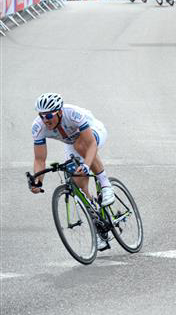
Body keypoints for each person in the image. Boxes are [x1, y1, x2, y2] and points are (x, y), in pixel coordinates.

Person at [30, 93, 115, 250]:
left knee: (81, 147)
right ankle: (99, 227)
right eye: (41, 116)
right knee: (78, 185)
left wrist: (87, 165)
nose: (45, 120)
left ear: (59, 112)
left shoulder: (73, 114)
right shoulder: (38, 127)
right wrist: (38, 181)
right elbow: (39, 159)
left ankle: (106, 185)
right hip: (71, 142)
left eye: (49, 115)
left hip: (93, 133)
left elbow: (90, 145)